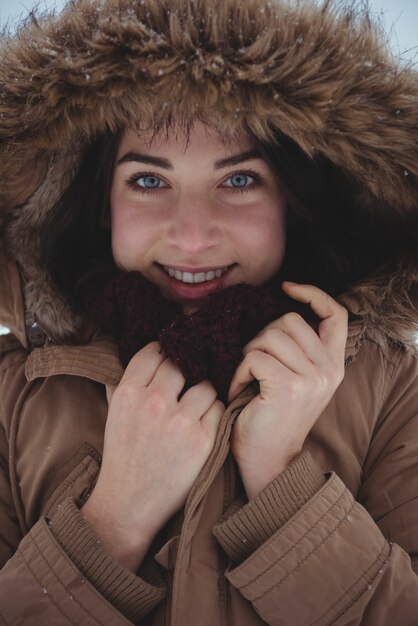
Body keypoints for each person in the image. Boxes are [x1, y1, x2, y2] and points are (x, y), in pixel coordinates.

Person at [0, 0, 417, 623]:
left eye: (239, 180)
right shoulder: (12, 392)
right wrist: (114, 518)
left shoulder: (391, 388)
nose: (192, 237)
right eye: (148, 180)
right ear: (97, 204)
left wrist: (282, 484)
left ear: (295, 202)